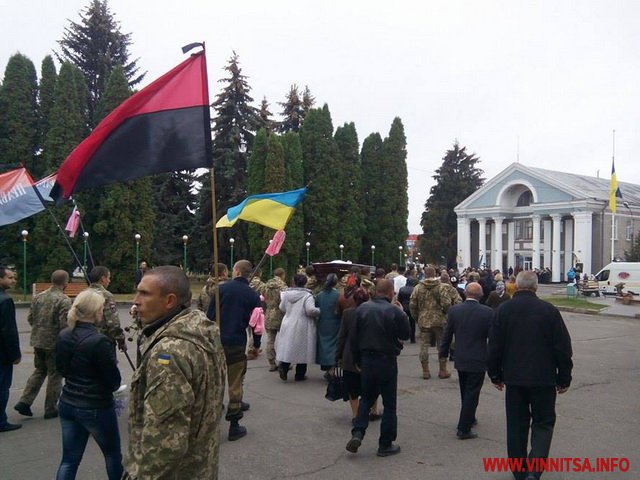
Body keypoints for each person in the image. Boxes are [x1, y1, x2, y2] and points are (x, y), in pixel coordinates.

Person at [125, 266, 226, 479]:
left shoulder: (169, 352)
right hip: (201, 466)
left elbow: (165, 444)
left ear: (169, 301)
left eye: (144, 293)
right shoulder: (200, 330)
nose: (135, 300)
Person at [488, 271, 573, 480]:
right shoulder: (549, 311)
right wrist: (564, 378)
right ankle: (534, 471)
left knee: (516, 424)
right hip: (544, 378)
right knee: (543, 423)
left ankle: (519, 471)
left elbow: (494, 347)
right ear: (536, 287)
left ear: (516, 286)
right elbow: (562, 348)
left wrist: (495, 375)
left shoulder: (503, 310)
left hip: (514, 379)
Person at [55, 289, 123, 479]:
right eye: (101, 309)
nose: (103, 313)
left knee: (69, 459)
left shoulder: (64, 335)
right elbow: (113, 381)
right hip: (96, 406)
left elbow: (60, 368)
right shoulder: (99, 341)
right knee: (112, 455)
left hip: (68, 402)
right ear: (95, 312)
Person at [345, 279, 410, 457]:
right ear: (391, 293)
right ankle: (385, 443)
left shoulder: (362, 309)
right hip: (386, 360)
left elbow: (353, 338)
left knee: (366, 399)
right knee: (389, 403)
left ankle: (358, 432)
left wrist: (357, 360)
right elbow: (405, 333)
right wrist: (401, 313)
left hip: (367, 360)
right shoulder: (393, 311)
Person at [207, 260, 261, 441]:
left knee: (216, 382)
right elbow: (257, 325)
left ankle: (211, 423)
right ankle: (234, 425)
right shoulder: (253, 295)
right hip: (238, 342)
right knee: (235, 383)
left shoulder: (221, 290)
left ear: (236, 271)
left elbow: (209, 317)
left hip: (218, 341)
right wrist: (257, 345)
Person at [15, 270, 72, 420]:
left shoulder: (39, 297)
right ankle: (50, 408)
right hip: (54, 343)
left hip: (38, 340)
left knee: (39, 370)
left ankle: (25, 400)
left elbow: (30, 318)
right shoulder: (64, 300)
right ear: (66, 283)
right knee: (55, 375)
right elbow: (64, 325)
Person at [439, 282, 493, 440]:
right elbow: (493, 338)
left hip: (461, 356)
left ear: (465, 294)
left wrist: (443, 352)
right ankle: (463, 428)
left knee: (465, 389)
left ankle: (469, 416)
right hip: (478, 357)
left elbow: (447, 334)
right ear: (481, 295)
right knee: (472, 391)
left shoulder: (455, 311)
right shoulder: (487, 312)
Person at [336, 287, 381, 424]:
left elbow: (342, 336)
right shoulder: (375, 312)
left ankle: (356, 415)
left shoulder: (348, 313)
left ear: (354, 299)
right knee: (373, 384)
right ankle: (374, 411)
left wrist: (338, 355)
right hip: (371, 352)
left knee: (352, 386)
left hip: (350, 354)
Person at [409, 266, 461, 380]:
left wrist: (417, 318)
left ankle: (425, 371)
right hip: (440, 319)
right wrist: (449, 314)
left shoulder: (418, 288)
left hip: (423, 319)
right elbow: (454, 301)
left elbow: (412, 305)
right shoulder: (443, 287)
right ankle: (442, 370)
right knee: (441, 345)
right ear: (435, 274)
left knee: (424, 346)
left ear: (425, 274)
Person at [275, 274, 320, 381]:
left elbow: (281, 307)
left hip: (288, 321)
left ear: (294, 282)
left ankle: (284, 367)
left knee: (289, 347)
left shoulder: (286, 294)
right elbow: (310, 310)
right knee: (302, 350)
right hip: (302, 324)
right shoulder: (307, 295)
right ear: (305, 283)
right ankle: (299, 375)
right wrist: (320, 311)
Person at [0, 267, 21, 432]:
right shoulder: (5, 300)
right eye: (10, 278)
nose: (13, 281)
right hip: (2, 354)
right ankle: (1, 421)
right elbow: (9, 331)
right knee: (2, 386)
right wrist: (15, 354)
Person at [88, 266, 126, 352]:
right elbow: (112, 322)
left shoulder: (83, 294)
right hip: (103, 340)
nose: (109, 280)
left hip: (85, 339)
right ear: (103, 279)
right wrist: (121, 339)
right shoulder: (106, 296)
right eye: (108, 278)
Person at [316, 273, 341, 378]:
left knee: (323, 345)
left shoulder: (320, 295)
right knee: (334, 345)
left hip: (322, 322)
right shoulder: (338, 295)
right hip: (335, 323)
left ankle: (326, 367)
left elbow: (316, 307)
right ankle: (332, 369)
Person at [263, 268, 288, 372]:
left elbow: (263, 298)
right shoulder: (283, 287)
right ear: (282, 275)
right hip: (280, 314)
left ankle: (272, 362)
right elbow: (286, 300)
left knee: (270, 340)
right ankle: (284, 363)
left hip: (269, 313)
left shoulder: (266, 286)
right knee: (284, 340)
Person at [397, 277, 418, 343]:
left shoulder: (402, 289)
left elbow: (399, 299)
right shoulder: (414, 289)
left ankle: (402, 337)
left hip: (403, 307)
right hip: (411, 307)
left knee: (402, 323)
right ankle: (412, 339)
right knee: (412, 323)